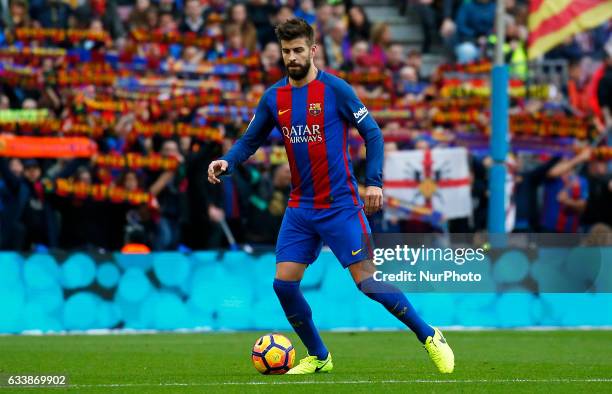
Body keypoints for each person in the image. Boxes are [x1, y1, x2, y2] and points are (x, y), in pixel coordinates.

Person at [208, 18, 454, 375]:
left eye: (297, 50)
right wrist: (226, 161)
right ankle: (320, 357)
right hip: (300, 208)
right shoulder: (274, 97)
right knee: (283, 285)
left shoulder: (336, 90)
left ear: (312, 50)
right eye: (286, 51)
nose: (291, 57)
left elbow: (373, 134)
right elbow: (250, 141)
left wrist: (374, 182)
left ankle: (430, 335)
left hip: (341, 206)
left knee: (368, 282)